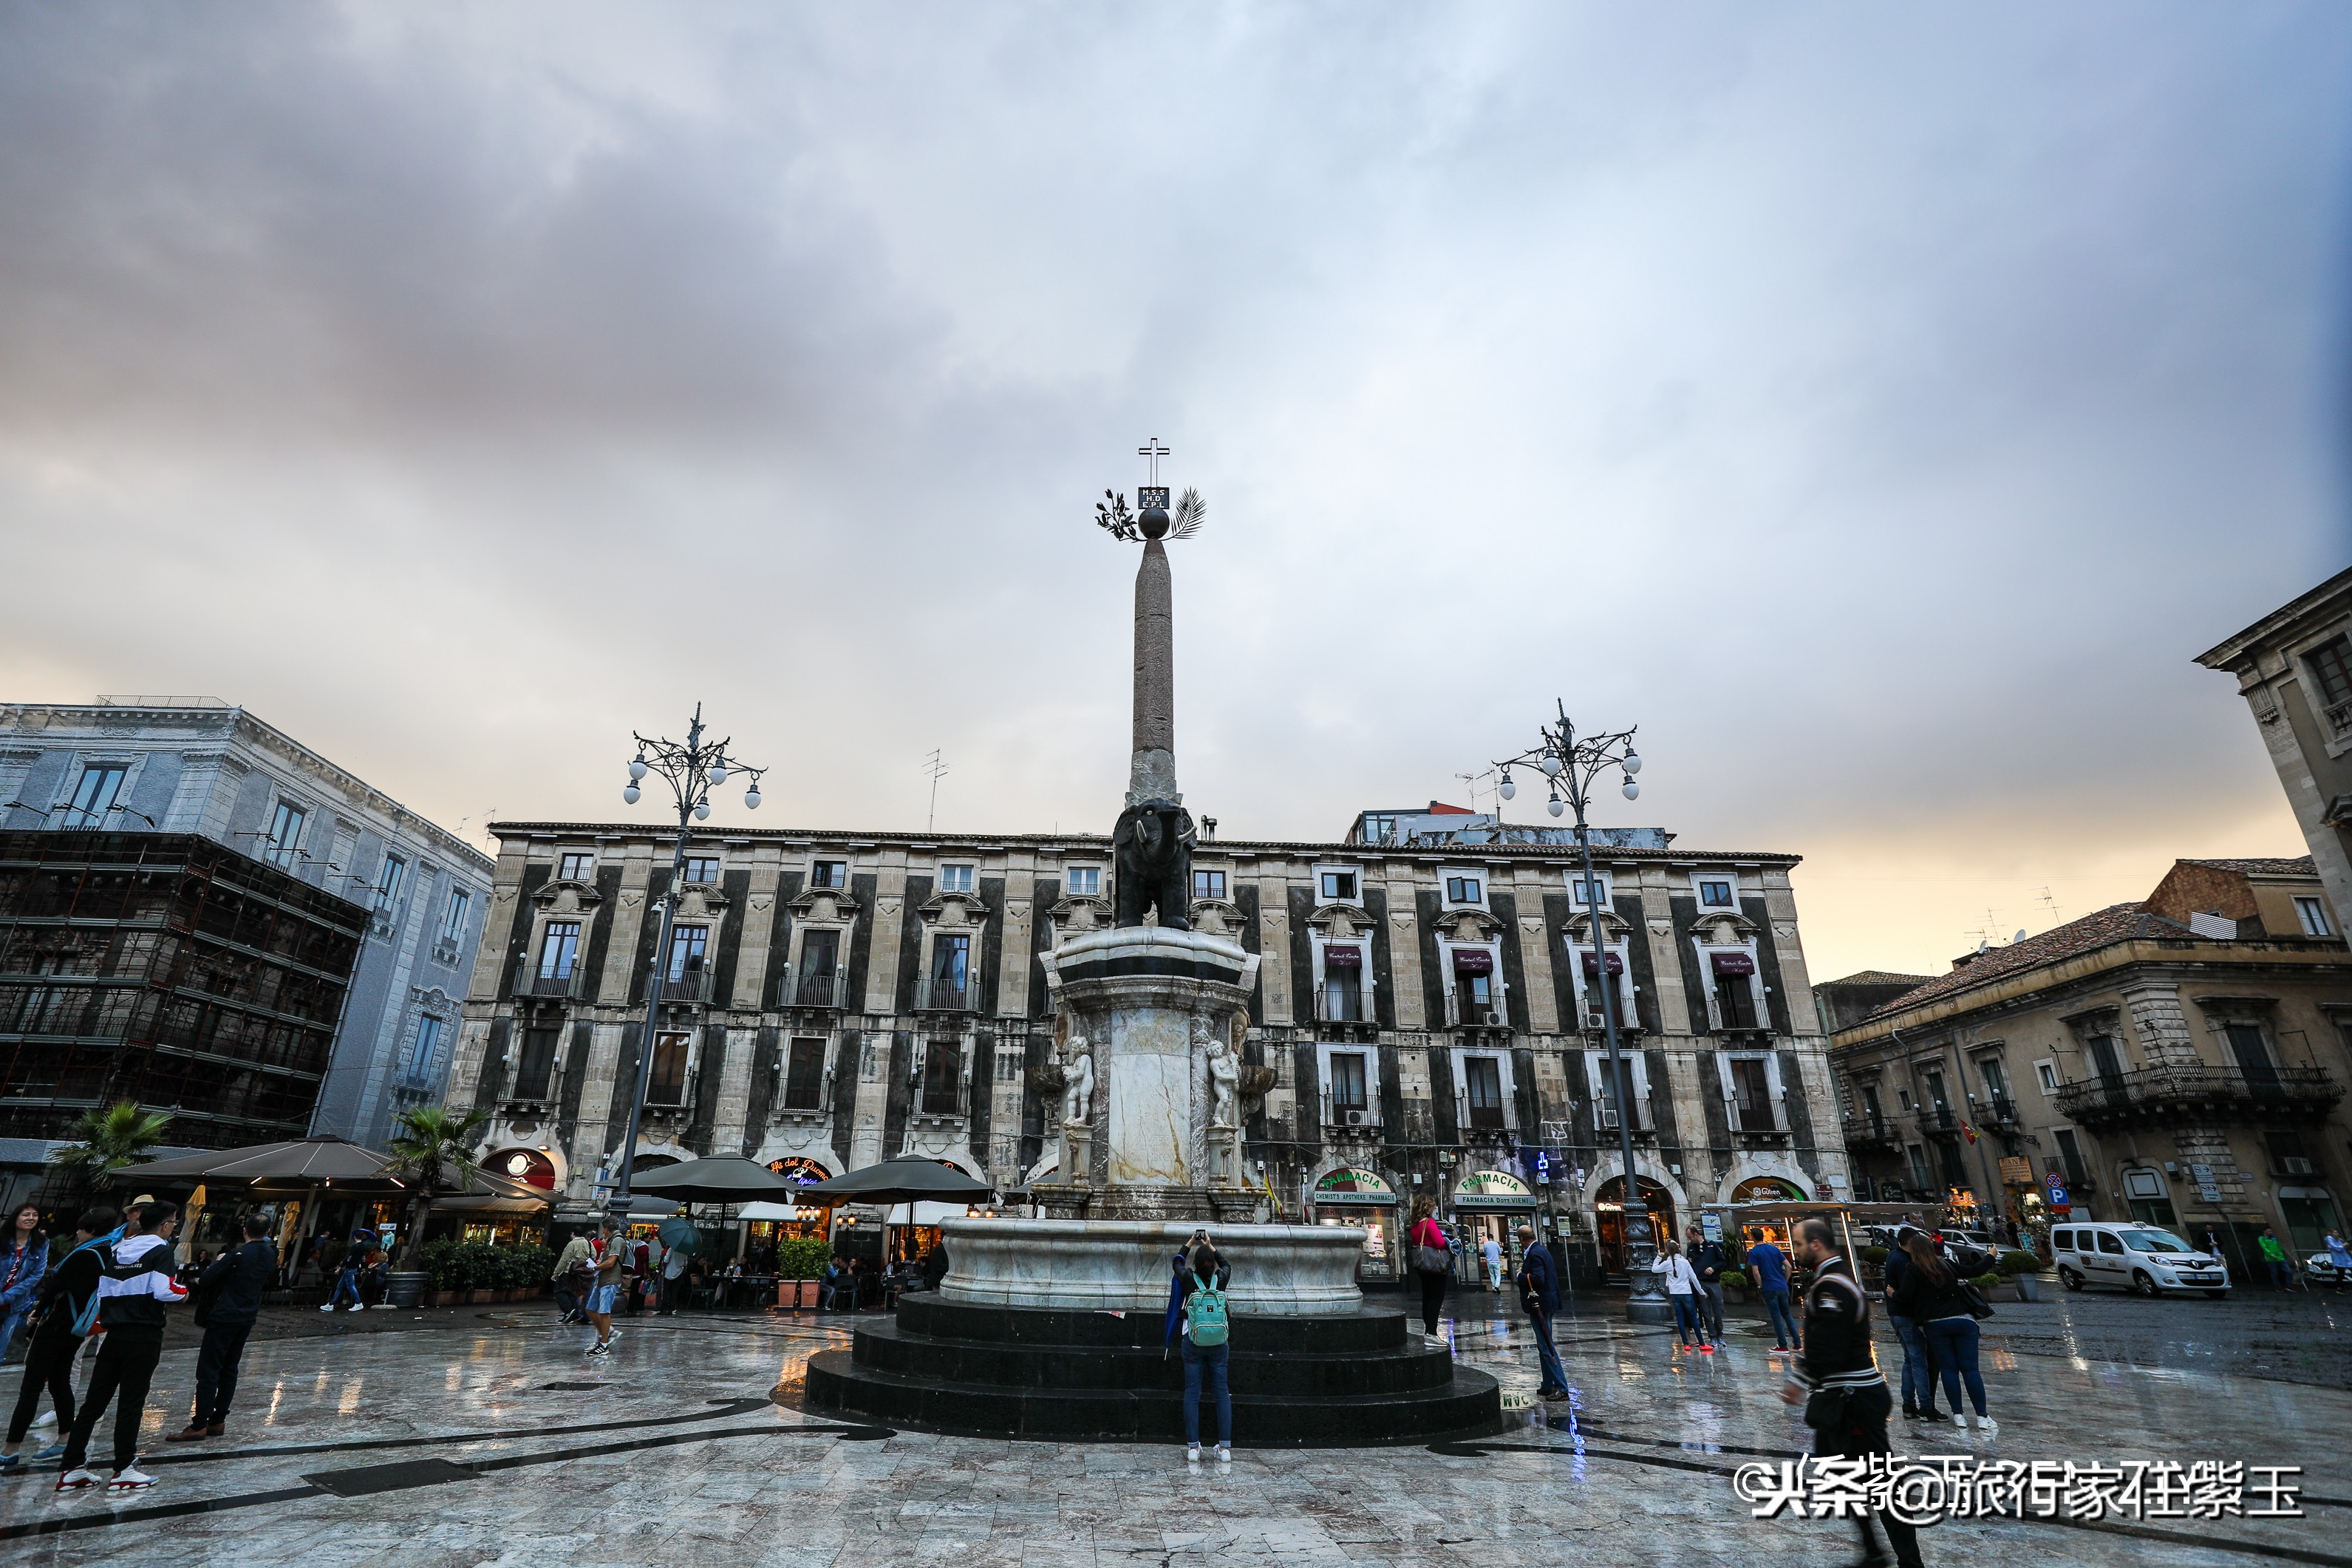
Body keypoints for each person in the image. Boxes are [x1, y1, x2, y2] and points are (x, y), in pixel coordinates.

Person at [1782, 1215, 1924, 1568]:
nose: (1795, 1250)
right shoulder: (1832, 1280)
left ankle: (1910, 1561)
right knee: (1841, 1477)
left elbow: (1831, 1344)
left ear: (1816, 1245)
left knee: (1880, 1483)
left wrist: (1800, 1379)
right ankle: (1873, 1551)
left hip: (1854, 1399)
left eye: (1798, 1244)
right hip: (1841, 1398)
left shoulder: (1832, 1286)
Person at [58, 1199, 186, 1493]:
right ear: (165, 1226)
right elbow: (164, 1290)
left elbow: (104, 1290)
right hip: (143, 1335)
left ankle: (72, 1468)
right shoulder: (160, 1250)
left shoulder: (119, 1250)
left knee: (93, 1404)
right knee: (131, 1403)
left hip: (114, 1333)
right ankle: (124, 1468)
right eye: (173, 1223)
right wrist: (185, 1292)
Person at [0, 1207, 117, 1475]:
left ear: (91, 1231)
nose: (77, 1233)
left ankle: (10, 1449)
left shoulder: (83, 1254)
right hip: (77, 1329)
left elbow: (54, 1287)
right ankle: (64, 1440)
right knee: (60, 1381)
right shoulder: (108, 1254)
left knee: (31, 1387)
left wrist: (36, 1315)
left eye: (81, 1229)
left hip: (55, 1326)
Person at [166, 1211, 276, 1443]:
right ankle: (218, 1420)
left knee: (209, 1370)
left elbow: (206, 1280)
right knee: (230, 1368)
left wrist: (219, 1262)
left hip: (224, 1315)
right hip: (247, 1316)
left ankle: (199, 1424)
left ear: (244, 1231)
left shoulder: (237, 1254)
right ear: (268, 1232)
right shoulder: (270, 1254)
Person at [1892, 1229, 1991, 1433]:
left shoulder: (1914, 1269)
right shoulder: (1947, 1265)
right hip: (1963, 1320)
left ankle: (1959, 1415)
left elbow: (1905, 1297)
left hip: (1936, 1324)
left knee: (1948, 1370)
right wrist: (1991, 1256)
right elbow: (1975, 1270)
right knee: (1971, 1370)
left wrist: (1892, 1293)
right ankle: (1982, 1416)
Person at [1175, 1243, 1233, 1463]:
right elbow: (1227, 1265)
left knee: (1192, 1392)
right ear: (1213, 1264)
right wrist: (1211, 1246)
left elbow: (1176, 1263)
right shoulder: (1221, 1279)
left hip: (1193, 1340)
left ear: (1195, 1265)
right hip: (1219, 1343)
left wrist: (1189, 1243)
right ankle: (1225, 1448)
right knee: (1222, 1393)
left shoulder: (1189, 1279)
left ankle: (1193, 1448)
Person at [1881, 1229, 1941, 1422]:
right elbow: (1907, 1293)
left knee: (1910, 1360)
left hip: (1897, 1314)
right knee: (1919, 1362)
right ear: (1911, 1241)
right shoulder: (1905, 1262)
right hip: (1907, 1316)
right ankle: (1926, 1406)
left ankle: (1908, 1405)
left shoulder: (1893, 1255)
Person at [1513, 1223, 1570, 1402]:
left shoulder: (1535, 1253)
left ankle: (1561, 1387)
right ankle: (1547, 1384)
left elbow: (1538, 1278)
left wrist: (1520, 1275)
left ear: (1522, 1239)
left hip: (1541, 1305)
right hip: (1547, 1303)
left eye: (1519, 1240)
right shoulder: (1541, 1250)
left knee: (1546, 1346)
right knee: (1543, 1345)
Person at [0, 1205, 49, 1366]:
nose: (31, 1218)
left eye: (35, 1215)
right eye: (26, 1214)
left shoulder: (41, 1243)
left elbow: (36, 1275)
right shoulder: (3, 1239)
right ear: (15, 1217)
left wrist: (6, 1297)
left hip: (14, 1304)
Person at [1745, 1230, 1800, 1351]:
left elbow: (1756, 1272)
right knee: (1787, 1314)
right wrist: (1785, 1280)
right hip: (1782, 1286)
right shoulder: (1775, 1249)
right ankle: (1797, 1343)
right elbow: (1788, 1266)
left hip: (1769, 1287)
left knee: (1776, 1316)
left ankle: (1783, 1345)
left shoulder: (1754, 1252)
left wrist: (1761, 1286)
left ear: (1752, 1237)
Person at [1406, 1199, 1450, 1337]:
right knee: (1436, 1298)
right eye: (1432, 1208)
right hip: (1435, 1265)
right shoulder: (1429, 1223)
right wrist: (1448, 1242)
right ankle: (1432, 1332)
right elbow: (1439, 1243)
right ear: (1427, 1208)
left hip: (1422, 1265)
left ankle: (1428, 1329)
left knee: (1427, 1297)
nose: (1434, 1210)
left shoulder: (1415, 1226)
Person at [584, 1219, 624, 1358]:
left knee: (604, 1312)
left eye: (603, 1229)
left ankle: (604, 1344)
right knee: (590, 1309)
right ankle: (607, 1334)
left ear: (606, 1228)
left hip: (610, 1280)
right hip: (602, 1279)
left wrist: (595, 1267)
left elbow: (611, 1262)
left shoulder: (617, 1240)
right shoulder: (611, 1240)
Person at [1657, 1246, 1710, 1351]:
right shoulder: (1685, 1262)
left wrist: (1658, 1257)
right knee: (1693, 1318)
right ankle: (1702, 1344)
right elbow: (1694, 1278)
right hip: (1686, 1292)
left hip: (1675, 1293)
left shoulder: (1667, 1263)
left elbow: (1654, 1269)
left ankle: (1686, 1344)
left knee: (1680, 1318)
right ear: (1678, 1250)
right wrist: (1701, 1292)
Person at [1691, 1235, 1727, 1346]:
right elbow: (1690, 1264)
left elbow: (1722, 1261)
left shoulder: (1712, 1245)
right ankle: (1712, 1336)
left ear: (1696, 1235)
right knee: (1705, 1312)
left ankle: (1719, 1334)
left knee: (1719, 1310)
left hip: (1714, 1281)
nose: (1690, 1240)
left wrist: (1713, 1268)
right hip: (1701, 1282)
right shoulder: (1691, 1248)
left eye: (1690, 1237)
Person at [551, 1231, 593, 1323]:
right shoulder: (589, 1244)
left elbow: (564, 1259)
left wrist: (556, 1272)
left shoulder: (572, 1244)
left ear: (573, 1233)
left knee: (559, 1291)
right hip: (581, 1272)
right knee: (573, 1293)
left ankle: (569, 1311)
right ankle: (575, 1313)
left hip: (569, 1271)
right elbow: (593, 1255)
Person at [2257, 1227, 2297, 1291]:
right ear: (2264, 1231)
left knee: (2289, 1271)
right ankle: (2278, 1287)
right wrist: (2272, 1255)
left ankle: (2289, 1285)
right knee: (2274, 1273)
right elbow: (2265, 1248)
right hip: (2271, 1259)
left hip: (2280, 1258)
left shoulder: (2274, 1239)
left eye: (2271, 1231)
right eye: (2269, 1231)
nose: (2270, 1232)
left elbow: (2279, 1247)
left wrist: (2282, 1255)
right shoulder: (2262, 1239)